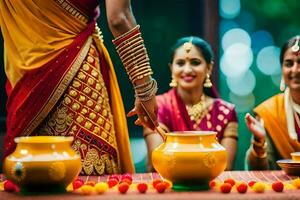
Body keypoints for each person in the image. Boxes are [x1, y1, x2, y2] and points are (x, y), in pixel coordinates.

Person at [0, 0, 159, 175]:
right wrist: (144, 90)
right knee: (89, 183)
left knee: (32, 178)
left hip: (23, 82)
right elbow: (119, 19)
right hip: (78, 80)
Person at [143, 36, 238, 171]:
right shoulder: (158, 106)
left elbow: (225, 166)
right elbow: (157, 163)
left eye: (195, 62)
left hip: (213, 188)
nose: (187, 70)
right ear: (171, 68)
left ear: (209, 68)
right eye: (180, 63)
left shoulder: (226, 112)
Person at [245, 35, 300, 170]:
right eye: (289, 64)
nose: (295, 70)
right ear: (281, 69)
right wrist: (259, 143)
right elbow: (259, 171)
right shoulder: (269, 112)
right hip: (285, 188)